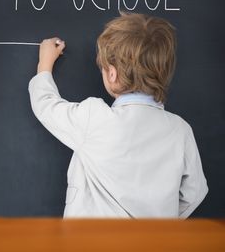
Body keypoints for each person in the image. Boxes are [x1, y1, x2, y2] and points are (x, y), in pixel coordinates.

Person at [28, 12, 208, 218]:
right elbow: (194, 192)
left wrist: (44, 65)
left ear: (112, 74)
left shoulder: (94, 118)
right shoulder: (180, 130)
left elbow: (46, 105)